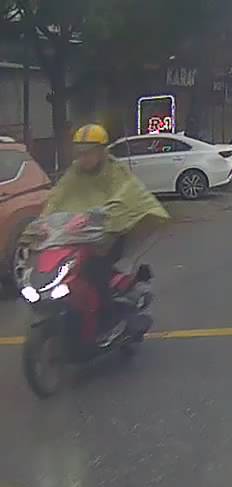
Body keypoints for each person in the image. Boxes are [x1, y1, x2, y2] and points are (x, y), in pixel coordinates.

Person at [38, 124, 169, 345]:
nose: (83, 158)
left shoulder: (115, 172)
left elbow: (125, 197)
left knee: (95, 273)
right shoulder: (74, 173)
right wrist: (44, 221)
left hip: (110, 236)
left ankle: (109, 322)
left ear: (101, 151)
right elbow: (57, 197)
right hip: (78, 237)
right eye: (80, 152)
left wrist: (105, 216)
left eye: (88, 152)